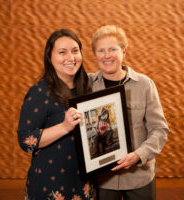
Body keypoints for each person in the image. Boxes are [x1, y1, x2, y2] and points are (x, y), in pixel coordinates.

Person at [89, 25, 169, 200]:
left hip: (139, 176)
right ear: (95, 55)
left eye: (112, 49)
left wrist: (138, 155)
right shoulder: (87, 85)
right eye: (101, 50)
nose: (107, 55)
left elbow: (159, 130)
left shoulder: (145, 84)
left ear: (124, 52)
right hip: (103, 180)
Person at [17, 29, 93, 200]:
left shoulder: (87, 87)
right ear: (49, 57)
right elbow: (25, 140)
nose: (71, 58)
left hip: (82, 183)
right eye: (62, 52)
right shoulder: (39, 92)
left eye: (75, 51)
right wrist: (64, 127)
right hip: (49, 185)